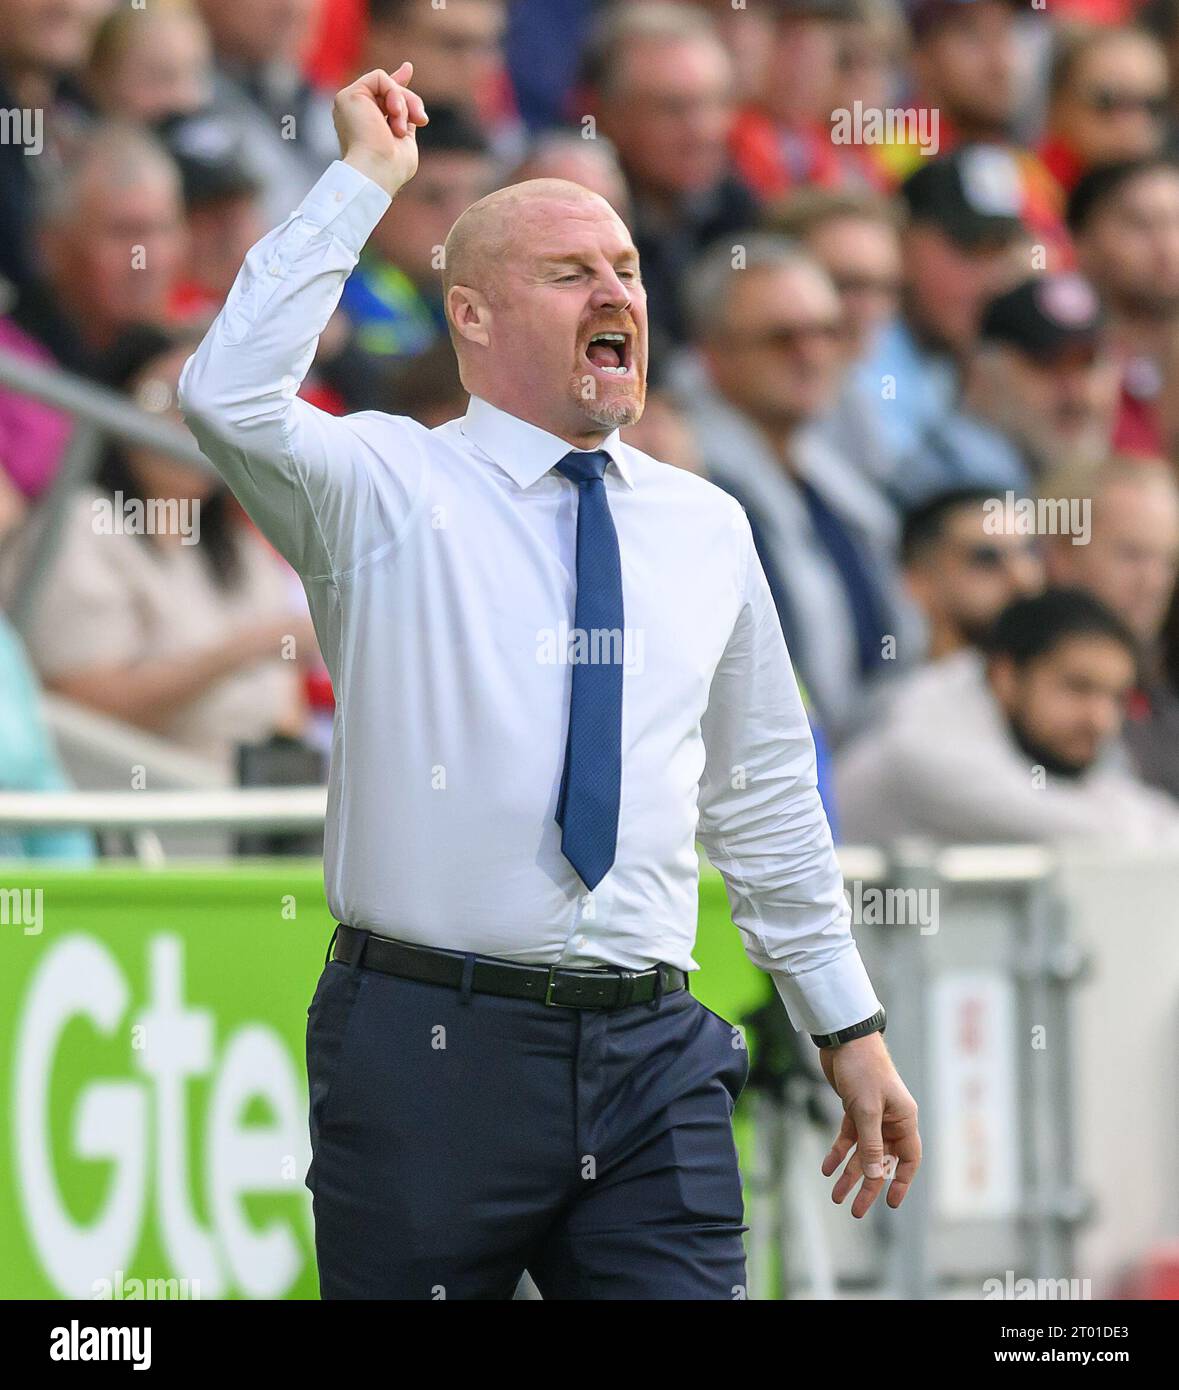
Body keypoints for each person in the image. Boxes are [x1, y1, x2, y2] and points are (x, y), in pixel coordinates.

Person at [179, 61, 920, 1300]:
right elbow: (226, 394)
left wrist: (846, 1023)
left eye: (626, 268)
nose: (615, 289)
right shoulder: (386, 489)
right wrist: (363, 183)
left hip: (655, 1048)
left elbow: (766, 796)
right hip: (427, 1046)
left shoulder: (705, 524)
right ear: (469, 316)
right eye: (570, 271)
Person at [16, 329, 314, 774]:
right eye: (163, 399)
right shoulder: (83, 524)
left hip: (243, 804)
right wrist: (237, 653)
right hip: (132, 795)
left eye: (206, 404)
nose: (188, 422)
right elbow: (79, 701)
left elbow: (287, 710)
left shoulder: (236, 544)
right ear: (116, 404)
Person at [675, 234, 911, 740]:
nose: (811, 355)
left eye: (826, 332)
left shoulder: (838, 478)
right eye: (782, 338)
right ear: (715, 354)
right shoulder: (688, 480)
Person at [836, 587, 1179, 847]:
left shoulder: (1052, 739)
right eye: (1078, 687)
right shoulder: (921, 735)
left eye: (1115, 697)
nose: (1101, 720)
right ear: (1006, 676)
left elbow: (1115, 801)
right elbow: (1088, 833)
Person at [580, 3, 760, 357]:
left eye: (716, 103)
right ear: (607, 112)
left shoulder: (743, 214)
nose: (704, 131)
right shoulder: (577, 218)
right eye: (673, 109)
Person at [903, 272, 1122, 504]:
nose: (1078, 394)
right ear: (982, 377)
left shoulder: (1106, 485)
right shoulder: (949, 478)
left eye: (1089, 365)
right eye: (1047, 364)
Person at [1068, 155, 1179, 455]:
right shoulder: (1062, 368)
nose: (1167, 245)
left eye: (1176, 222)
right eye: (1140, 225)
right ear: (1081, 243)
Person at [901, 485, 1045, 661]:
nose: (1023, 578)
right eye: (986, 558)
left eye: (1029, 551)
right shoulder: (901, 687)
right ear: (918, 582)